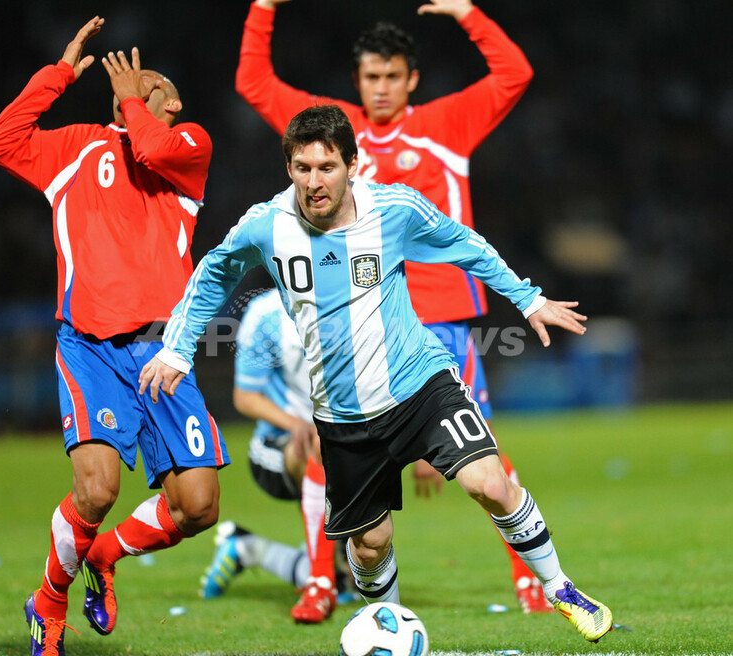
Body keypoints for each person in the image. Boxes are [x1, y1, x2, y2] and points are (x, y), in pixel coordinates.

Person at [139, 105, 614, 644]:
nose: (314, 182)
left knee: (489, 483)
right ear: (288, 168)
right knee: (369, 546)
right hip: (342, 417)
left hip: (420, 385)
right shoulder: (266, 225)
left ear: (352, 165)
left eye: (327, 167)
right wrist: (178, 349)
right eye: (302, 168)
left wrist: (527, 299)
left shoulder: (393, 210)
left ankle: (559, 587)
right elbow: (212, 274)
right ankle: (390, 630)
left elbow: (465, 245)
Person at [235, 0, 551, 614]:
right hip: (357, 317)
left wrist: (468, 12)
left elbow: (515, 74)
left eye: (392, 76)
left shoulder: (448, 122)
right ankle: (320, 583)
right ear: (357, 81)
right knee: (332, 445)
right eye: (370, 76)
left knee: (484, 454)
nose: (380, 88)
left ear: (412, 79)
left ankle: (530, 581)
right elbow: (253, 81)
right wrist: (264, 7)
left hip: (441, 319)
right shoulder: (333, 135)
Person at [0, 17, 229, 656]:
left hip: (163, 352)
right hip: (89, 347)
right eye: (129, 81)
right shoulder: (75, 149)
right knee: (96, 490)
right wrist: (59, 74)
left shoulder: (190, 146)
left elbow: (151, 149)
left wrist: (129, 102)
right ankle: (49, 602)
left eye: (151, 81)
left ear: (173, 103)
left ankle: (107, 555)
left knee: (198, 506)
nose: (137, 80)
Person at [199, 289, 358, 622]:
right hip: (276, 446)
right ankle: (322, 577)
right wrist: (296, 423)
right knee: (320, 446)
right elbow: (245, 397)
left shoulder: (355, 300)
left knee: (359, 580)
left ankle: (247, 549)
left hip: (341, 442)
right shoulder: (266, 314)